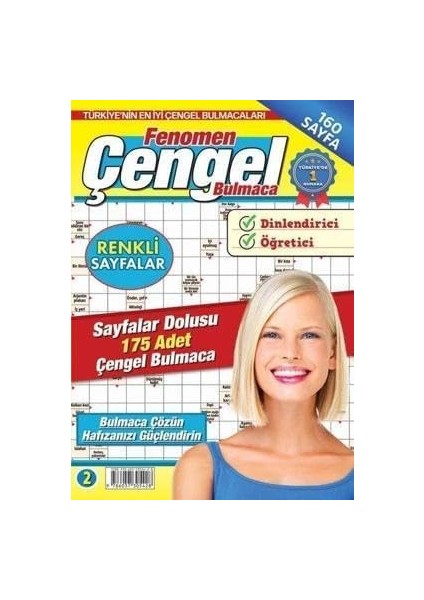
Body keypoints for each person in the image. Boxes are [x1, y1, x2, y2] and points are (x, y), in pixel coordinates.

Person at [173, 270, 354, 500]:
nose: (290, 353)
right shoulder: (201, 466)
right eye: (272, 335)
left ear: (333, 353)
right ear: (250, 349)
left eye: (309, 335)